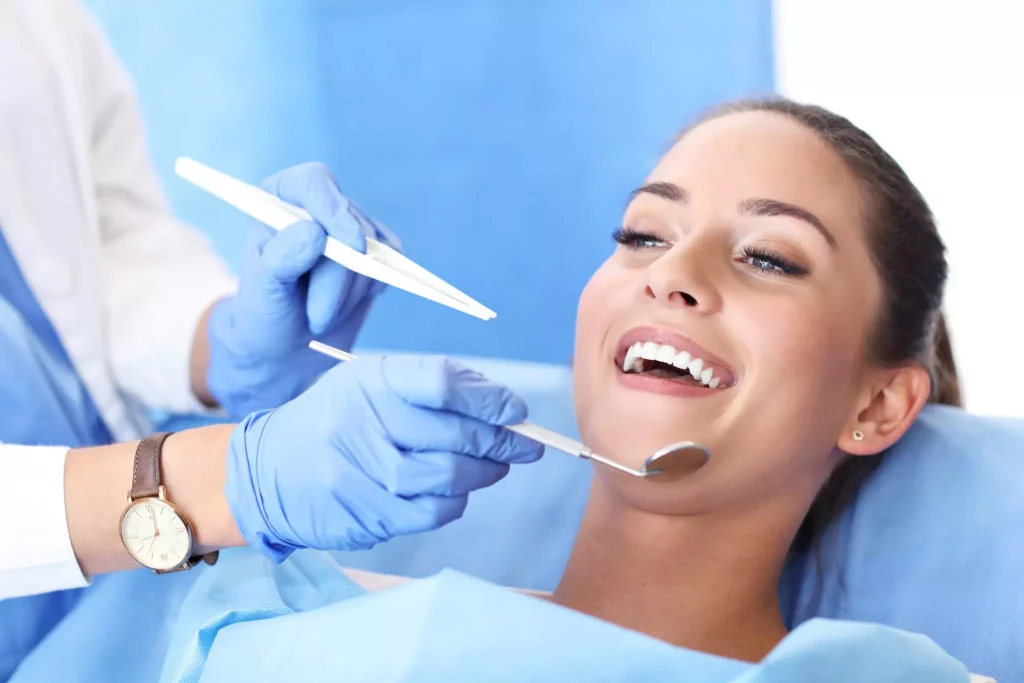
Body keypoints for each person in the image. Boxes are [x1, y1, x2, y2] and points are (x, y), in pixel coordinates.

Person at [152, 96, 963, 678]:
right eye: (643, 234)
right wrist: (230, 451)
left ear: (876, 405)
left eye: (768, 256)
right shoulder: (284, 614)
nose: (672, 272)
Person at [0, 1, 544, 675]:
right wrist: (212, 483)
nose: (671, 280)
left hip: (121, 589)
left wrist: (218, 346)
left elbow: (102, 244)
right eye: (645, 237)